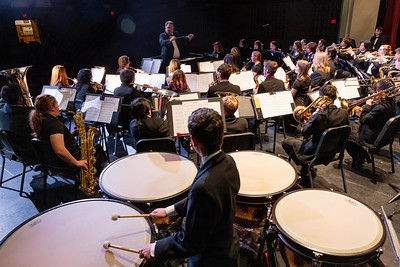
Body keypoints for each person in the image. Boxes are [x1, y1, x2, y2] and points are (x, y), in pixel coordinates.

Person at [139, 108, 240, 266]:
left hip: (211, 259)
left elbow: (191, 242)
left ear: (193, 142)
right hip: (228, 242)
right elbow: (203, 200)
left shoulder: (204, 187)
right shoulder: (228, 162)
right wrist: (168, 211)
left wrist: (154, 249)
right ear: (221, 136)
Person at [282, 84, 349, 183]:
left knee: (286, 142)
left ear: (321, 98)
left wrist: (314, 114)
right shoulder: (344, 113)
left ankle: (305, 167)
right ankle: (307, 168)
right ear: (335, 97)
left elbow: (304, 133)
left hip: (315, 153)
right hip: (332, 152)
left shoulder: (319, 116)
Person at [346, 79, 396, 172]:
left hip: (371, 136)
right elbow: (376, 116)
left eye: (376, 91)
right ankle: (362, 156)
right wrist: (369, 109)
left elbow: (363, 120)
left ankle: (359, 158)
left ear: (381, 92)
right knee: (351, 126)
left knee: (344, 133)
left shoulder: (381, 108)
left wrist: (367, 106)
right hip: (381, 133)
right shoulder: (392, 102)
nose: (374, 93)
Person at [29, 94, 87, 169]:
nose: (58, 107)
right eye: (57, 104)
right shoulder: (54, 124)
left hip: (51, 161)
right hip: (66, 161)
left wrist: (71, 135)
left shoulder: (41, 120)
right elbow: (59, 150)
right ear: (52, 107)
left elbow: (51, 140)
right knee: (97, 151)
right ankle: (97, 179)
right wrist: (77, 163)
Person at [0, 84, 37, 160]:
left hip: (10, 150)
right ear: (20, 98)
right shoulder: (28, 114)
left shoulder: (1, 109)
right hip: (28, 153)